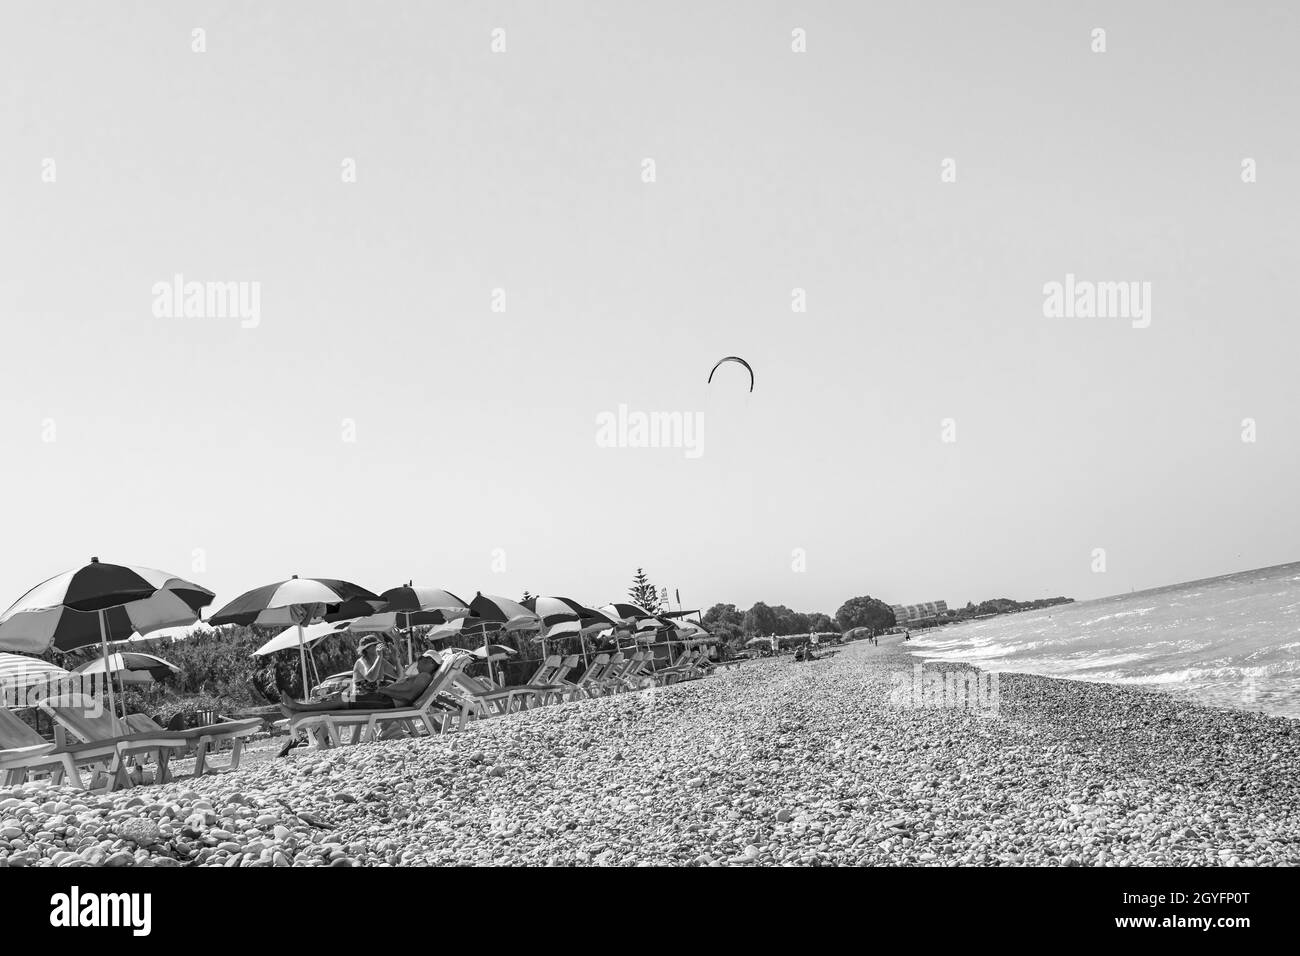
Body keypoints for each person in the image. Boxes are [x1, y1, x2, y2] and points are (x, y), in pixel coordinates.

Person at [280, 650, 444, 715]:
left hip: (386, 702)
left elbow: (409, 695)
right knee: (342, 697)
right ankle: (301, 710)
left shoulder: (424, 676)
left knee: (342, 700)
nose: (418, 660)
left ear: (430, 662)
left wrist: (386, 691)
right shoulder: (423, 676)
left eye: (421, 658)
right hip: (384, 700)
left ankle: (300, 708)